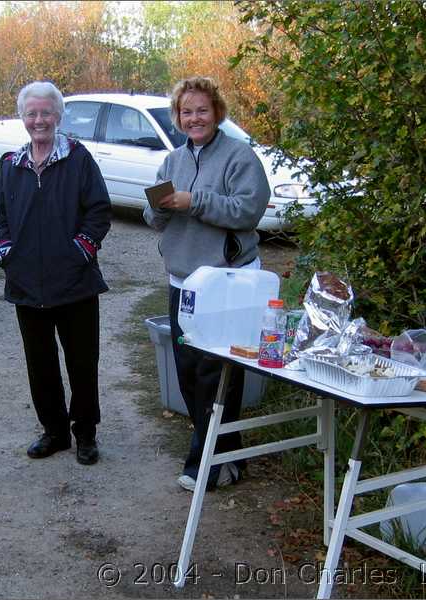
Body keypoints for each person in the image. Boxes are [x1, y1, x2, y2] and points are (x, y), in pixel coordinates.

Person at [143, 77, 270, 492]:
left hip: (226, 282)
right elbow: (155, 220)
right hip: (183, 281)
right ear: (178, 117)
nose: (194, 118)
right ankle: (229, 457)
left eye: (202, 109)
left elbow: (249, 211)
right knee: (187, 370)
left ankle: (206, 465)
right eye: (186, 111)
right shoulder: (172, 161)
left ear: (217, 112)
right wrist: (159, 208)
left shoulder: (239, 156)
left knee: (214, 376)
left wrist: (193, 201)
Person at [0, 81, 111, 465]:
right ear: (23, 118)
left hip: (75, 283)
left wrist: (80, 250)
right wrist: (6, 251)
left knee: (81, 362)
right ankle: (55, 431)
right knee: (40, 364)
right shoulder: (11, 165)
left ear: (58, 117)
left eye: (46, 113)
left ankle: (86, 434)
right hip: (27, 284)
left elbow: (99, 211)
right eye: (32, 113)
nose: (39, 120)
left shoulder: (79, 159)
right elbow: (3, 216)